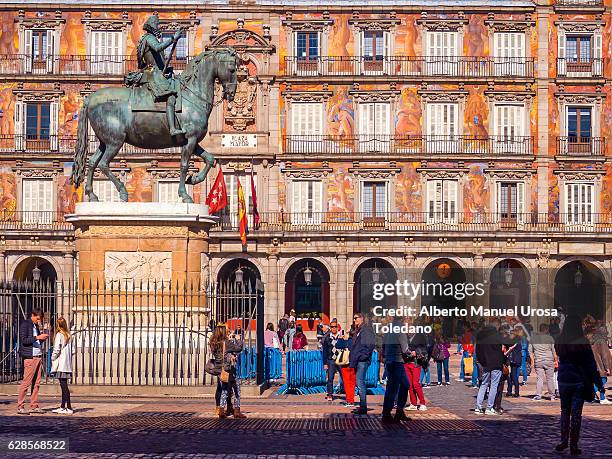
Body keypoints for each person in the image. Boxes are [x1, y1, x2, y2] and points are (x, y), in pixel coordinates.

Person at [555, 315, 604, 456]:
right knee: (576, 414)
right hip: (577, 380)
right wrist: (598, 382)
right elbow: (590, 364)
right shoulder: (582, 342)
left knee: (564, 411)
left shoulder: (559, 340)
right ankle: (573, 444)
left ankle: (564, 440)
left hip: (563, 379)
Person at [133, 15, 185, 136]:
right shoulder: (149, 38)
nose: (158, 27)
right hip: (154, 73)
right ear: (152, 26)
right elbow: (157, 48)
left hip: (157, 72)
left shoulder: (148, 38)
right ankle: (172, 129)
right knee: (171, 97)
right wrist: (173, 38)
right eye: (157, 25)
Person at [209, 324, 246, 419]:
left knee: (224, 390)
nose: (228, 332)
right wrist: (238, 339)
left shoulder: (214, 343)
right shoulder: (226, 343)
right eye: (226, 330)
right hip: (229, 369)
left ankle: (221, 410)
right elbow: (238, 348)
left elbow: (224, 353)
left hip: (219, 369)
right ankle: (237, 411)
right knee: (237, 389)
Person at [17, 308, 49, 415]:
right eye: (37, 318)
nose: (38, 321)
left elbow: (36, 341)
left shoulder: (35, 326)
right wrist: (37, 337)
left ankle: (34, 405)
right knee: (26, 382)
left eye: (39, 319)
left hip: (38, 356)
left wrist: (41, 339)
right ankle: (20, 406)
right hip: (30, 357)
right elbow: (24, 340)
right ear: (33, 315)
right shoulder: (25, 324)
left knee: (37, 383)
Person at [381, 317, 411, 424]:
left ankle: (398, 411)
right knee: (392, 388)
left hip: (390, 360)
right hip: (397, 361)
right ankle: (386, 413)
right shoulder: (400, 329)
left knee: (405, 384)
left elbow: (383, 345)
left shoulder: (389, 328)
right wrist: (412, 354)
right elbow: (405, 349)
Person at [474, 319, 504, 415]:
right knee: (494, 386)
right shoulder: (497, 335)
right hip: (496, 363)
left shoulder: (481, 335)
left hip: (485, 363)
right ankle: (489, 408)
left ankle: (478, 407)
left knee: (483, 384)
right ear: (497, 325)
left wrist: (482, 361)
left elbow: (478, 350)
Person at [349, 313, 375, 414]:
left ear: (362, 319)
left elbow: (370, 345)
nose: (354, 320)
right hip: (358, 360)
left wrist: (362, 356)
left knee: (360, 382)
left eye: (356, 318)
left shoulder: (366, 330)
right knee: (359, 382)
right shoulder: (358, 330)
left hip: (362, 361)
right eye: (353, 318)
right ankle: (362, 406)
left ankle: (363, 407)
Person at [51, 317, 73, 414]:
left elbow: (56, 349)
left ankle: (68, 407)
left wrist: (52, 358)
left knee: (64, 386)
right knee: (64, 385)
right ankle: (63, 406)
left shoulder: (59, 335)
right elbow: (73, 351)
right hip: (67, 364)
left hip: (61, 364)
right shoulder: (69, 335)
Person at [586, 319, 611, 405]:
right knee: (602, 379)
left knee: (599, 380)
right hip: (600, 365)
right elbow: (604, 356)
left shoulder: (591, 339)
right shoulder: (601, 341)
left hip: (592, 363)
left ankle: (602, 397)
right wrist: (607, 367)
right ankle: (591, 394)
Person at [530, 323, 558, 401]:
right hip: (549, 360)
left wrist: (532, 361)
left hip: (538, 360)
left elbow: (530, 351)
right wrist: (556, 360)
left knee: (540, 378)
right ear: (546, 329)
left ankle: (538, 395)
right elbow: (553, 350)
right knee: (550, 378)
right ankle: (552, 395)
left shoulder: (533, 338)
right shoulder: (550, 338)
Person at [404, 323, 428, 410]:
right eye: (408, 329)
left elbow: (425, 349)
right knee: (409, 384)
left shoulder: (420, 337)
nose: (409, 331)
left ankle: (422, 403)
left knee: (415, 383)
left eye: (411, 329)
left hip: (415, 362)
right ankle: (413, 403)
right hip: (406, 362)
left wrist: (416, 353)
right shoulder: (405, 337)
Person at [322, 321, 342, 401]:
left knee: (344, 377)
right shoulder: (327, 338)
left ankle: (348, 394)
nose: (334, 328)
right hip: (331, 360)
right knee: (330, 378)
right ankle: (330, 394)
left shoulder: (341, 337)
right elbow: (325, 352)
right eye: (332, 327)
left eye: (335, 327)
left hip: (340, 360)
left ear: (337, 328)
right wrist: (325, 363)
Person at [336, 327, 355, 407]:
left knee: (347, 383)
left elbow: (337, 345)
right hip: (354, 364)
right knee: (352, 383)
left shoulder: (346, 342)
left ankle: (349, 400)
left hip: (345, 364)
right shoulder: (356, 342)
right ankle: (352, 399)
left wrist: (341, 338)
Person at [506, 325, 524, 398]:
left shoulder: (514, 341)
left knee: (513, 376)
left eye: (511, 334)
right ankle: (510, 391)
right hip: (516, 360)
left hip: (514, 360)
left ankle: (515, 392)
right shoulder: (518, 340)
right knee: (511, 376)